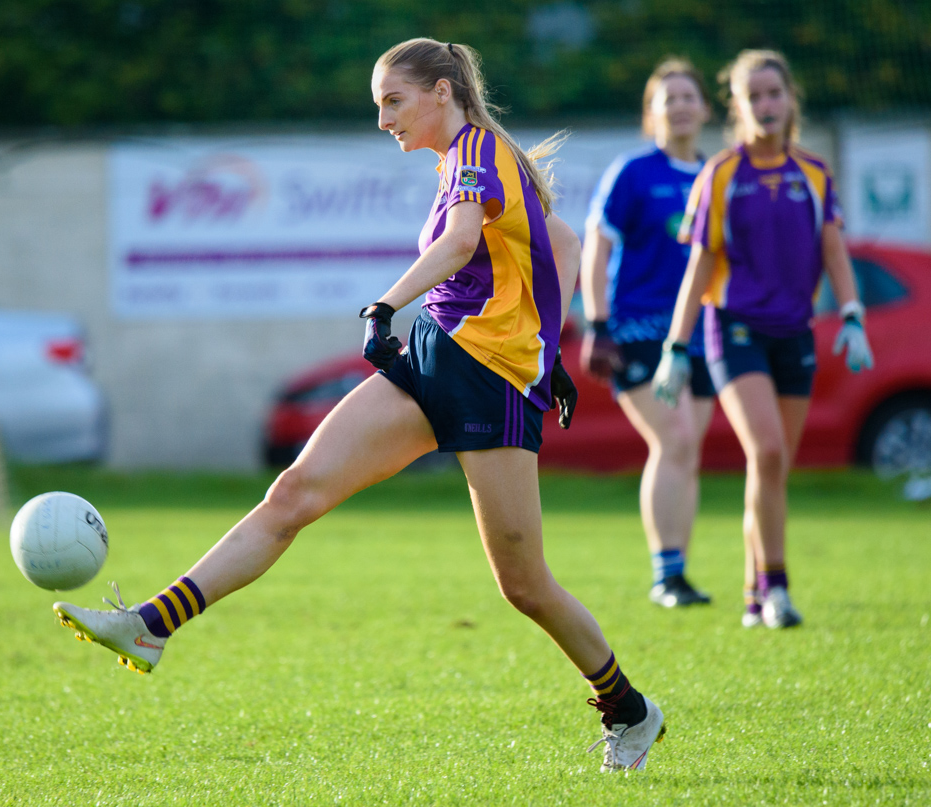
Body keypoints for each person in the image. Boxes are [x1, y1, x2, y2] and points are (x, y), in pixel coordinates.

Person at [52, 38, 667, 771]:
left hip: (491, 380)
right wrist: (548, 340)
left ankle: (630, 710)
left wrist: (389, 305)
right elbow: (556, 242)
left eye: (392, 101)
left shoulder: (475, 149)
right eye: (379, 106)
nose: (383, 120)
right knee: (293, 493)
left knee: (524, 585)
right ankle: (151, 623)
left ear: (442, 91)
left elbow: (466, 243)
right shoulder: (460, 163)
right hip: (437, 357)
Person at [653, 49, 874, 629]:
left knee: (772, 469)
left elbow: (834, 250)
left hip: (794, 331)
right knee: (768, 451)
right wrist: (676, 348)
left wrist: (851, 312)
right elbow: (699, 269)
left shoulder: (815, 172)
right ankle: (776, 589)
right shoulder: (722, 173)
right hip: (735, 328)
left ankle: (753, 593)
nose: (767, 105)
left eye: (775, 93)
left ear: (790, 99)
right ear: (739, 107)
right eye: (755, 96)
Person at [580, 57, 716, 609]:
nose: (681, 106)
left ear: (706, 109)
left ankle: (678, 574)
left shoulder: (718, 175)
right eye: (669, 98)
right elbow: (597, 247)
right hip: (637, 331)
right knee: (674, 439)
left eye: (689, 96)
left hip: (703, 333)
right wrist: (595, 324)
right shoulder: (632, 173)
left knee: (690, 452)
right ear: (652, 114)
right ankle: (665, 574)